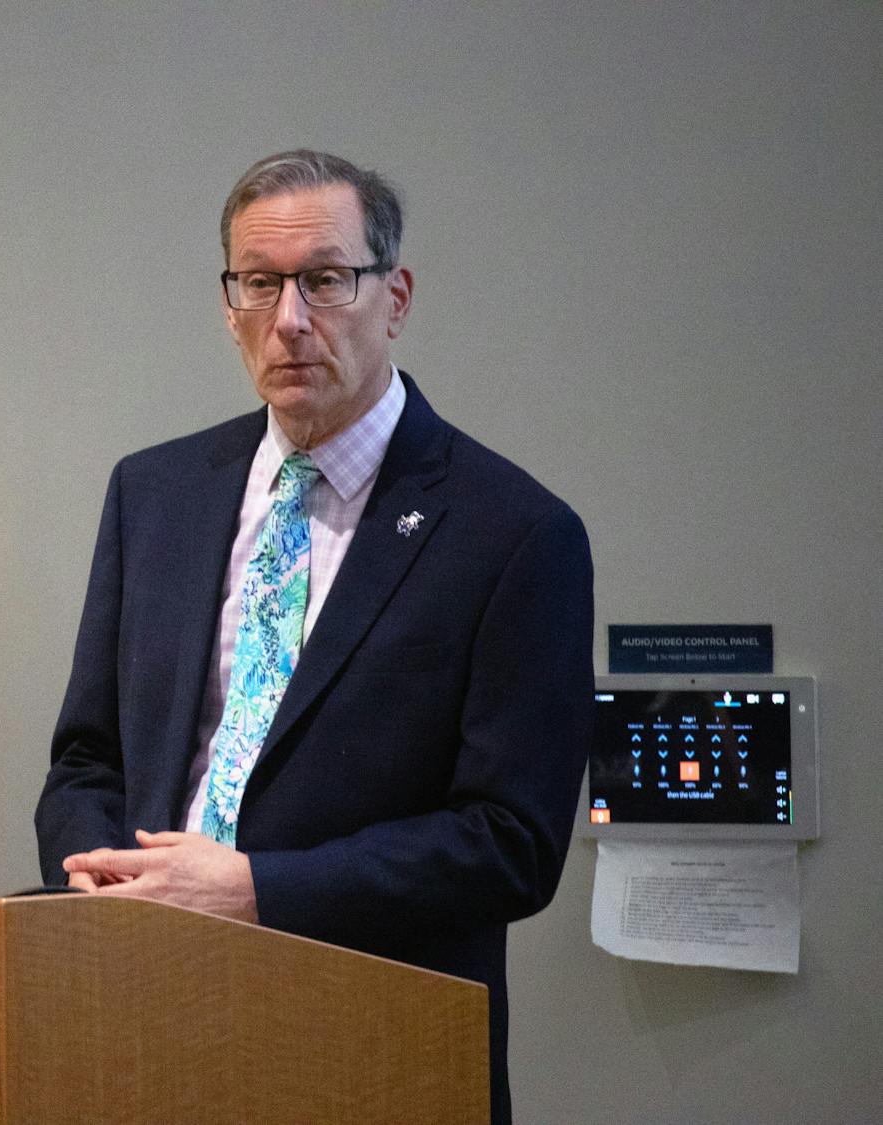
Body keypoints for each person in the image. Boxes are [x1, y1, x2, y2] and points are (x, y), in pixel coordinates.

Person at [34, 149, 593, 1123]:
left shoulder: (515, 534)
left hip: (369, 1052)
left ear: (395, 295)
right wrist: (105, 886)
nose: (289, 321)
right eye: (260, 284)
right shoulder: (152, 495)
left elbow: (510, 843)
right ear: (229, 302)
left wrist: (255, 890)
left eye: (326, 281)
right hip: (144, 1026)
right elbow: (87, 759)